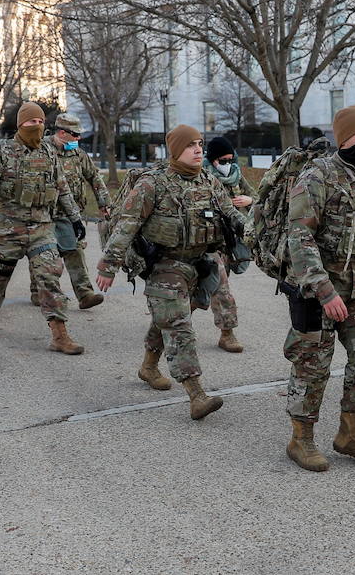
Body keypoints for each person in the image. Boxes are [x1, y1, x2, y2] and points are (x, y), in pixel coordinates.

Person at [95, 125, 241, 419]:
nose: (199, 149)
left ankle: (148, 365)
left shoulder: (209, 182)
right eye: (191, 145)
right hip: (164, 265)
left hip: (199, 264)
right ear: (176, 150)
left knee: (168, 318)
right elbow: (127, 225)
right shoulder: (153, 184)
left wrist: (254, 234)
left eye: (200, 144)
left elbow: (231, 215)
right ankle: (196, 394)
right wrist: (108, 265)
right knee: (178, 324)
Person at [283, 105, 355, 472]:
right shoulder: (317, 175)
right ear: (344, 137)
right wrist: (324, 290)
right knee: (312, 364)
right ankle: (301, 439)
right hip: (318, 288)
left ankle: (350, 434)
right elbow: (299, 237)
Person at [0, 102, 86, 354]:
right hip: (8, 227)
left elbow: (62, 186)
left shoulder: (48, 152)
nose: (36, 125)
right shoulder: (1, 153)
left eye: (40, 121)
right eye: (31, 121)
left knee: (49, 276)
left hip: (41, 227)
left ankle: (59, 335)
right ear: (20, 124)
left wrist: (75, 217)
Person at [48, 112, 107, 310]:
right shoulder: (43, 150)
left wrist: (103, 203)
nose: (78, 139)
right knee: (46, 256)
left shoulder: (78, 154)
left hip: (69, 215)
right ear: (62, 133)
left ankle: (84, 294)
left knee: (74, 251)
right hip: (45, 214)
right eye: (75, 135)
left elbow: (94, 177)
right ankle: (39, 292)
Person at [201, 135, 254, 353]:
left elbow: (257, 197)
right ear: (212, 160)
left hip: (231, 241)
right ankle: (227, 333)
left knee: (211, 288)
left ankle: (172, 322)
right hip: (208, 242)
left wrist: (249, 201)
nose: (227, 165)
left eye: (230, 159)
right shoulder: (201, 177)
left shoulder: (236, 175)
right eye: (222, 160)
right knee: (220, 287)